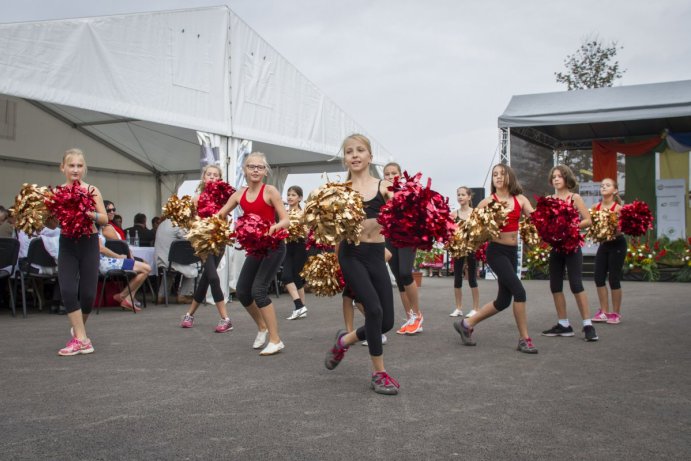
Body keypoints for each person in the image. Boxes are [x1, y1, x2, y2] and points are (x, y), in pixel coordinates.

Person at [324, 134, 399, 395]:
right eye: (348, 152)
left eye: (359, 150)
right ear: (345, 158)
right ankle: (379, 374)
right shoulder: (339, 191)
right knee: (374, 311)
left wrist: (390, 248)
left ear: (370, 156)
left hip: (377, 255)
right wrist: (334, 260)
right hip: (352, 254)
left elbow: (403, 220)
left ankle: (344, 341)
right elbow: (331, 231)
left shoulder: (384, 187)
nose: (354, 155)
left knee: (386, 322)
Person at [453, 163, 538, 354]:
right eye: (495, 175)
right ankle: (524, 339)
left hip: (512, 253)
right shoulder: (486, 202)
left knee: (503, 300)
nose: (498, 177)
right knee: (520, 292)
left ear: (510, 177)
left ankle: (466, 324)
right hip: (496, 252)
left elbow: (536, 219)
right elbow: (472, 229)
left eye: (502, 174)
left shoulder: (521, 200)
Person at [217, 153, 289, 355]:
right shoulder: (239, 194)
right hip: (256, 248)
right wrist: (208, 225)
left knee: (259, 290)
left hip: (274, 246)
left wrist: (273, 228)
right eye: (251, 166)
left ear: (265, 171)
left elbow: (286, 220)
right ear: (245, 170)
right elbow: (220, 215)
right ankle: (262, 327)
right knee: (242, 291)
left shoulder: (270, 191)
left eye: (260, 167)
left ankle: (276, 340)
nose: (256, 170)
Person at [55, 148, 108, 356]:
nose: (75, 170)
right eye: (71, 165)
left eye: (79, 166)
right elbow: (51, 221)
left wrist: (89, 213)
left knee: (87, 294)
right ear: (63, 168)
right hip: (67, 243)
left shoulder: (92, 190)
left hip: (89, 242)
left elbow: (105, 218)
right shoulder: (58, 192)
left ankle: (79, 334)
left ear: (84, 168)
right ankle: (82, 338)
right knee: (67, 290)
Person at [541, 165, 598, 342]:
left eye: (560, 176)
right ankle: (564, 324)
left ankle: (588, 324)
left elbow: (588, 220)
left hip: (572, 247)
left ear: (567, 179)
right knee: (555, 286)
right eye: (554, 176)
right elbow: (543, 221)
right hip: (556, 248)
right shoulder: (549, 199)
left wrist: (571, 226)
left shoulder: (575, 198)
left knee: (576, 284)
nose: (556, 179)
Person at [180, 165, 233, 333]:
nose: (212, 177)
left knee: (206, 278)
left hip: (219, 241)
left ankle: (189, 314)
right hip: (203, 243)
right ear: (203, 177)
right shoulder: (196, 198)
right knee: (213, 277)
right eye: (209, 174)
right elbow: (191, 223)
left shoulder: (224, 199)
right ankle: (225, 318)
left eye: (215, 175)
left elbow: (226, 219)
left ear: (220, 179)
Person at [382, 162, 424, 336]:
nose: (391, 177)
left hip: (407, 235)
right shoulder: (382, 189)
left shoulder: (409, 190)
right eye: (387, 174)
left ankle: (418, 315)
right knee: (399, 278)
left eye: (394, 173)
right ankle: (410, 318)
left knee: (406, 273)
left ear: (401, 174)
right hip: (390, 235)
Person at [591, 177, 626, 325]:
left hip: (617, 244)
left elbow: (622, 229)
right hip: (604, 245)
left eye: (607, 185)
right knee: (598, 277)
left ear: (615, 190)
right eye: (602, 185)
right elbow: (592, 227)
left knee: (614, 279)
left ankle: (616, 313)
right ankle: (604, 312)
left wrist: (613, 230)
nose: (604, 187)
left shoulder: (618, 209)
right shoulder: (595, 207)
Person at [98, 234, 151, 312]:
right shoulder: (94, 229)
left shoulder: (96, 229)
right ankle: (123, 296)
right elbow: (101, 249)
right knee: (146, 268)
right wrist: (118, 256)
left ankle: (127, 298)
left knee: (145, 269)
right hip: (105, 263)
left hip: (105, 261)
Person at [449, 186, 480, 318]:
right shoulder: (454, 214)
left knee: (472, 278)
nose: (460, 197)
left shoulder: (475, 213)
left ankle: (475, 308)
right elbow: (449, 232)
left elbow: (480, 231)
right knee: (457, 278)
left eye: (463, 194)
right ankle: (458, 308)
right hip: (458, 249)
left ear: (469, 197)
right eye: (458, 194)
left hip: (472, 248)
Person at [154, 217, 196, 304]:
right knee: (193, 266)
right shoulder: (177, 224)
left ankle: (161, 296)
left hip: (160, 259)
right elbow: (190, 238)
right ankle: (184, 295)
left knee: (169, 272)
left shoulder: (162, 223)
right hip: (170, 261)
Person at [283, 186, 309, 320]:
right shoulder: (283, 212)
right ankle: (301, 307)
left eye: (293, 195)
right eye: (288, 194)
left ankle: (300, 306)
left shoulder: (304, 213)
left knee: (293, 277)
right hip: (287, 247)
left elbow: (308, 233)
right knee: (288, 276)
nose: (290, 197)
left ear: (299, 198)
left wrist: (300, 227)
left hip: (300, 246)